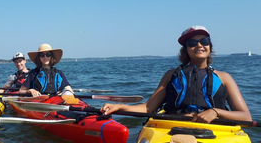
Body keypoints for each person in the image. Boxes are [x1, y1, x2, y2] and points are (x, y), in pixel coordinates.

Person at [101, 26, 252, 123]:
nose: (199, 45)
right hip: (172, 127)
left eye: (204, 41)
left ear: (209, 46)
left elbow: (246, 117)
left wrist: (215, 112)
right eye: (192, 43)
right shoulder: (171, 75)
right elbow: (148, 109)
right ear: (185, 50)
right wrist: (119, 107)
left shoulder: (224, 78)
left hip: (215, 131)